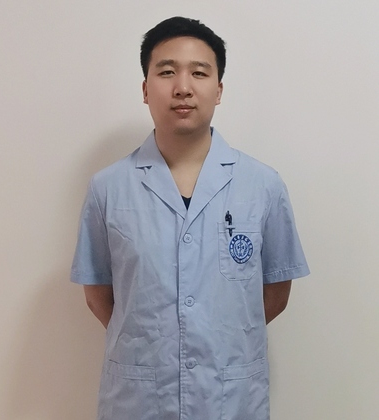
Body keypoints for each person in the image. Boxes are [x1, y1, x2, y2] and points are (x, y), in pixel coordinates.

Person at [71, 16, 310, 420]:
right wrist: (158, 344)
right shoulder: (108, 188)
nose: (183, 87)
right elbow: (98, 295)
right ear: (145, 89)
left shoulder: (263, 185)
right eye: (167, 72)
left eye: (199, 72)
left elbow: (275, 293)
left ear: (219, 90)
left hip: (231, 399)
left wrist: (214, 340)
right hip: (139, 400)